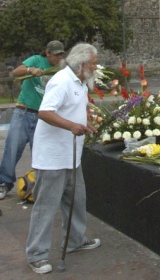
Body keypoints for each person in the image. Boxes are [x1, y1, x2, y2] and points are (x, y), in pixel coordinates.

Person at [25, 42, 100, 275]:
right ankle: (36, 254)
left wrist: (84, 124)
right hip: (52, 157)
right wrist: (71, 126)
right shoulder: (61, 81)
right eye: (93, 63)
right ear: (81, 64)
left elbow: (71, 110)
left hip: (71, 155)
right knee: (45, 207)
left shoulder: (80, 83)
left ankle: (76, 240)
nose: (96, 67)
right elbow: (45, 112)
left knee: (76, 200)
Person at [0, 41, 65, 201]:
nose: (58, 57)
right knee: (13, 148)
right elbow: (16, 72)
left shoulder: (61, 70)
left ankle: (42, 186)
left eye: (60, 54)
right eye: (55, 54)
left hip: (43, 116)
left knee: (42, 153)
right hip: (24, 111)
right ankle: (4, 183)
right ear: (47, 53)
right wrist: (31, 70)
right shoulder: (36, 60)